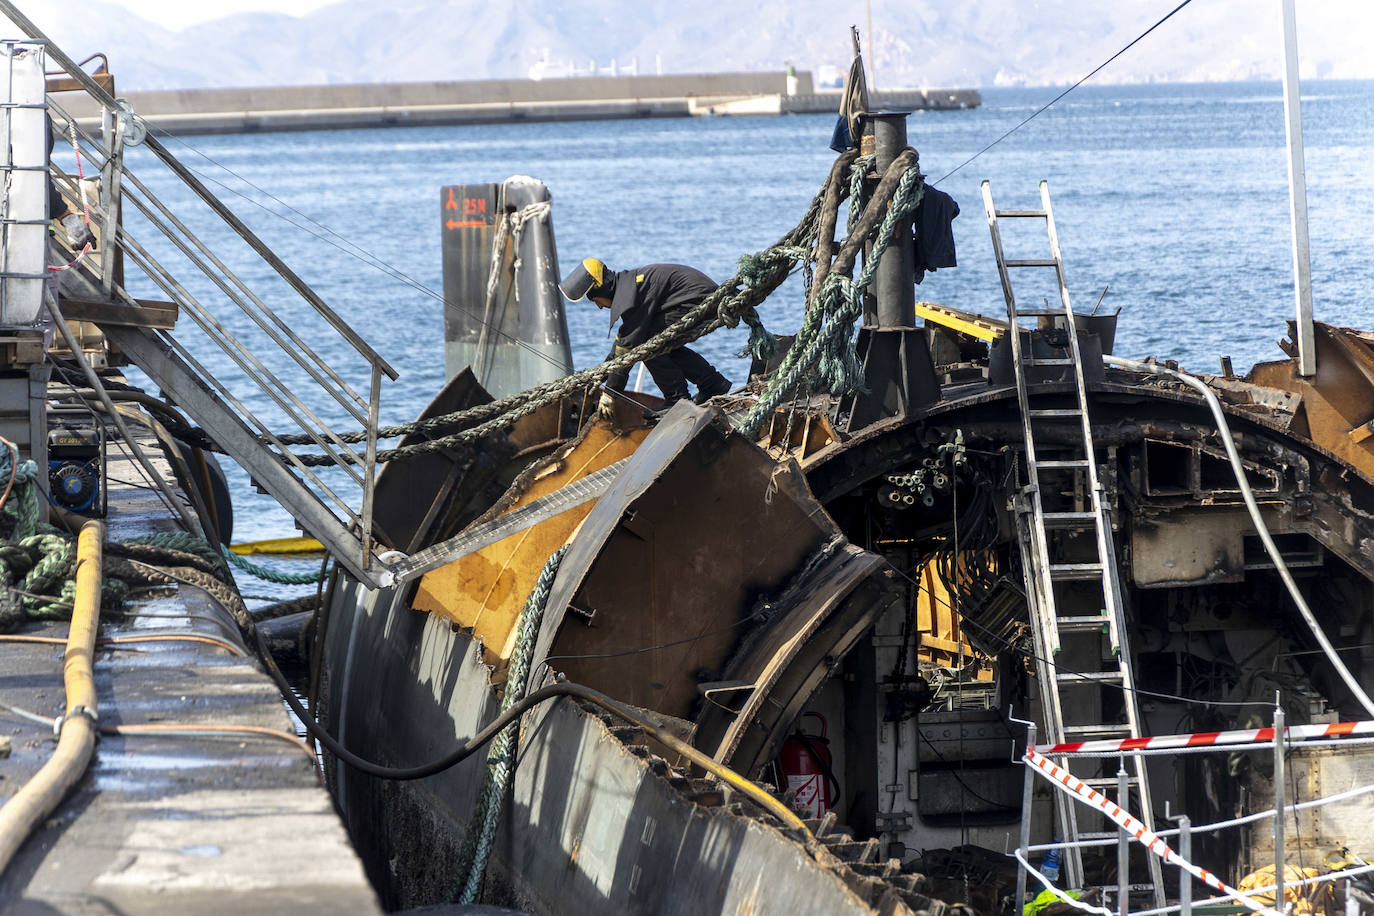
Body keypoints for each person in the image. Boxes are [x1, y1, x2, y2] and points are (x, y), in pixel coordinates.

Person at [560, 259, 731, 418]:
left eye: (596, 300)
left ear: (602, 291)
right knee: (659, 344)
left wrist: (610, 393)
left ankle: (677, 400)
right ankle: (713, 384)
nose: (599, 307)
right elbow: (623, 342)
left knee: (647, 345)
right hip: (697, 297)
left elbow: (628, 345)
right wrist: (600, 376)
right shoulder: (628, 288)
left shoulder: (631, 294)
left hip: (698, 299)